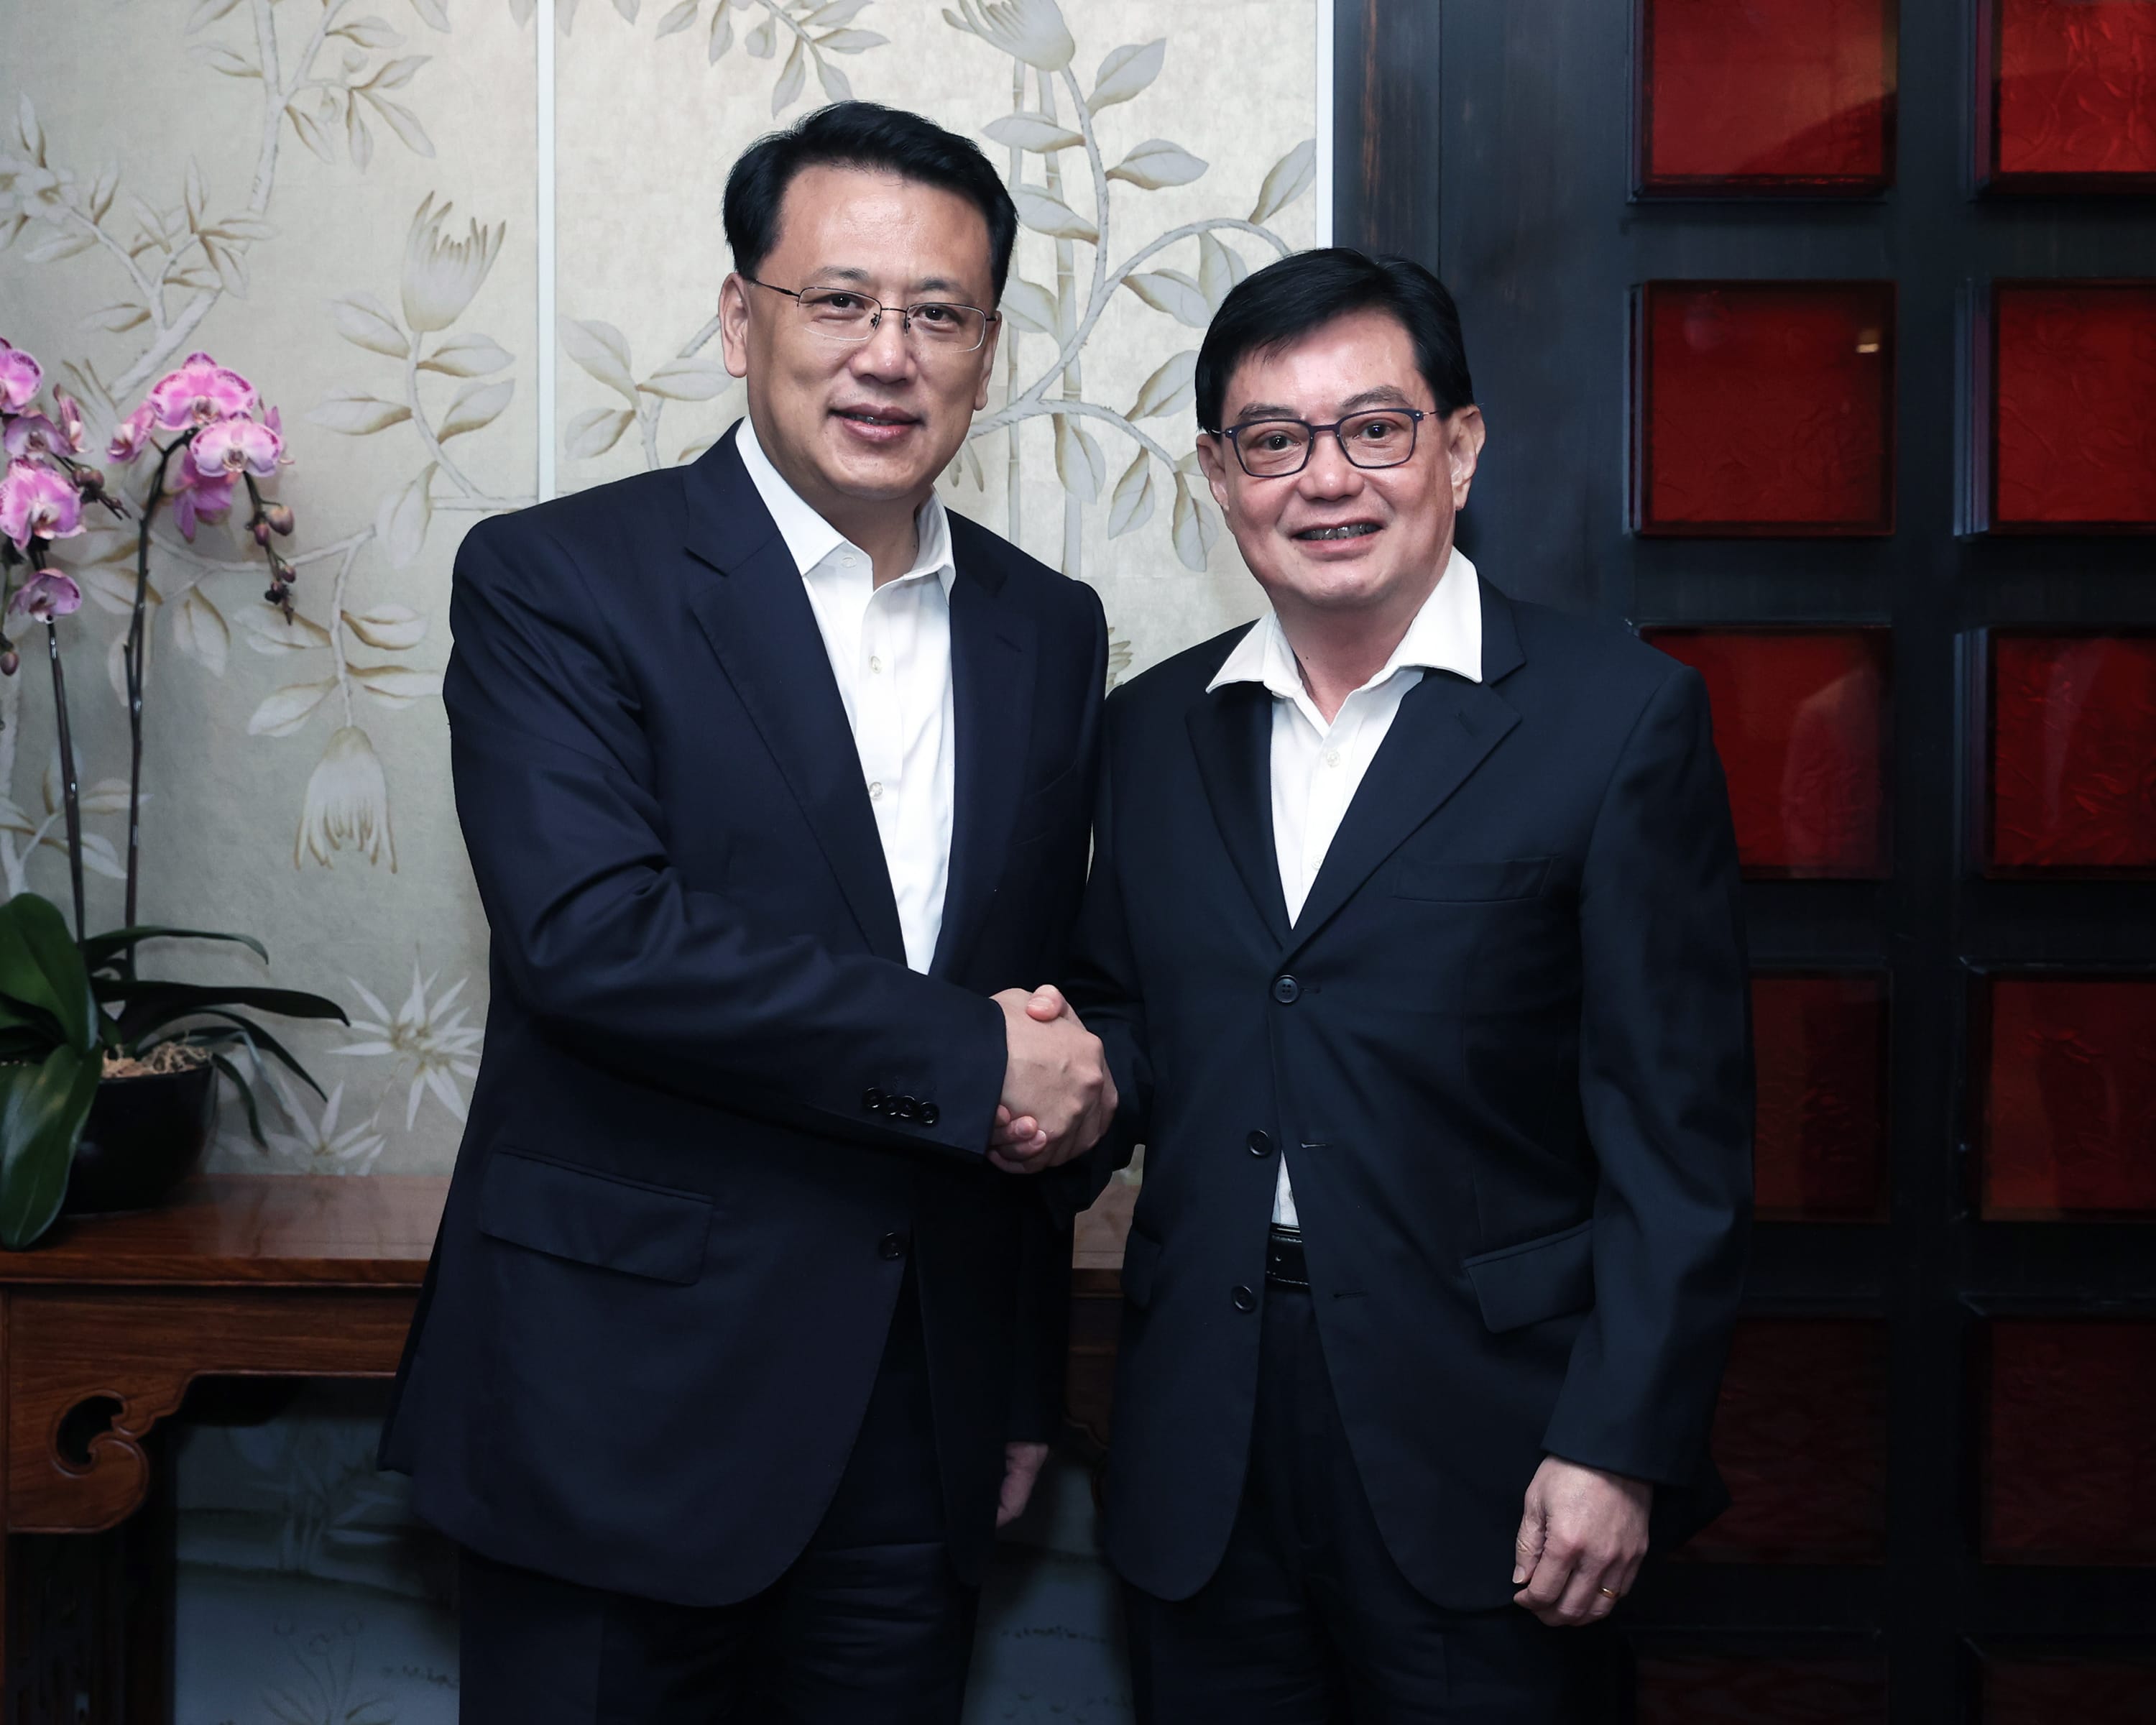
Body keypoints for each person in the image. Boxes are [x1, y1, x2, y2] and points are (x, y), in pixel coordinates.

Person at [379, 101, 1116, 1724]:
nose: (887, 355)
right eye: (838, 300)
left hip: (914, 1423)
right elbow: (596, 941)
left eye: (939, 314)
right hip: (616, 1405)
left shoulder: (1049, 628)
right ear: (739, 318)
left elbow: (1040, 988)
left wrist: (1014, 1379)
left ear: (989, 351)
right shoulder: (560, 579)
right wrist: (974, 1060)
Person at [998, 249, 1752, 1721]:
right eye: (1275, 440)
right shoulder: (1153, 730)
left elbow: (1684, 1140)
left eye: (1376, 429)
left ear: (1458, 450)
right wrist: (1047, 1080)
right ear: (1221, 477)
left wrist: (1620, 1443)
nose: (1327, 478)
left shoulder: (1617, 719)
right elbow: (1136, 1023)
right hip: (1206, 1426)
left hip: (1495, 1440)